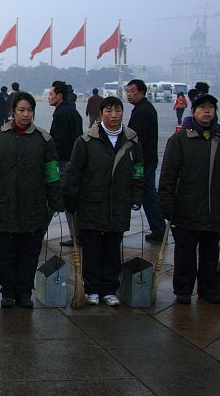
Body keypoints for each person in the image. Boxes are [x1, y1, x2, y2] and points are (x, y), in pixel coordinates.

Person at [0, 91, 63, 308]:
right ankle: (8, 292)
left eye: (30, 110)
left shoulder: (44, 140)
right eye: (21, 110)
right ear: (12, 112)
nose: (26, 115)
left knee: (30, 253)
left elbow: (52, 173)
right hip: (5, 206)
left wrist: (56, 199)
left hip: (33, 207)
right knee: (6, 253)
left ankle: (24, 292)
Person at [65, 96, 143, 306]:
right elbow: (74, 173)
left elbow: (138, 172)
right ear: (101, 114)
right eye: (109, 111)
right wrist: (70, 199)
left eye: (117, 110)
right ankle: (91, 289)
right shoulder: (86, 141)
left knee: (112, 249)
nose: (114, 115)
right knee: (92, 249)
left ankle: (109, 289)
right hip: (91, 204)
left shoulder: (132, 141)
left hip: (118, 204)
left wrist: (136, 196)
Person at [159, 93, 220, 305]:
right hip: (185, 208)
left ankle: (209, 289)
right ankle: (183, 290)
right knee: (184, 253)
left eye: (211, 107)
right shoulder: (180, 139)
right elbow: (168, 175)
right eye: (202, 107)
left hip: (214, 209)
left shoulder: (217, 138)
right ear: (193, 111)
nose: (207, 111)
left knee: (211, 254)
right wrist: (166, 205)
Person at [125, 79, 167, 244]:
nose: (129, 94)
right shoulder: (142, 109)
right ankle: (158, 229)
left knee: (148, 195)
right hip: (147, 159)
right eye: (127, 91)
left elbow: (136, 137)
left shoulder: (143, 111)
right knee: (148, 194)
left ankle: (159, 229)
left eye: (132, 91)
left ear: (142, 92)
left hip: (143, 161)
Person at [48, 80, 83, 246]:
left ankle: (37, 231)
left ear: (59, 96)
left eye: (51, 94)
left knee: (54, 197)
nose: (49, 97)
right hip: (73, 160)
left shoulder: (61, 114)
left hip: (63, 163)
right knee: (70, 200)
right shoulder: (73, 111)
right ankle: (77, 235)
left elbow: (59, 142)